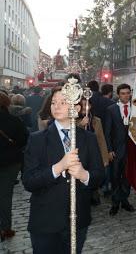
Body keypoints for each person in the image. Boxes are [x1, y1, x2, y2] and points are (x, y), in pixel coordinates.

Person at [22, 86, 104, 253]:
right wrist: (58, 167)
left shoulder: (88, 138)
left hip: (78, 219)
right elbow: (29, 181)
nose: (56, 106)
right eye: (53, 102)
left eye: (63, 102)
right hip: (45, 221)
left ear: (77, 108)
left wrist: (84, 175)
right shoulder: (37, 139)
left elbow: (99, 176)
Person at [0, 92, 29, 241]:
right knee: (5, 196)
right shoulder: (14, 120)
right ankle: (5, 227)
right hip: (10, 162)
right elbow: (24, 139)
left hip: (9, 161)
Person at [104, 83, 135, 216]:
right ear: (118, 94)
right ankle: (116, 202)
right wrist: (109, 150)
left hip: (131, 150)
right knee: (115, 176)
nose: (126, 96)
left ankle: (125, 200)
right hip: (116, 150)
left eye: (128, 93)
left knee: (128, 177)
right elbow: (107, 132)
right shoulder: (111, 109)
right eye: (123, 93)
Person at [77, 97, 112, 206]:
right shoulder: (73, 120)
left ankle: (94, 194)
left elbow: (101, 139)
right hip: (80, 154)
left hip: (94, 154)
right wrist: (80, 126)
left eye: (86, 105)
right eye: (81, 105)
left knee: (93, 176)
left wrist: (104, 157)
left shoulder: (97, 120)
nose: (84, 107)